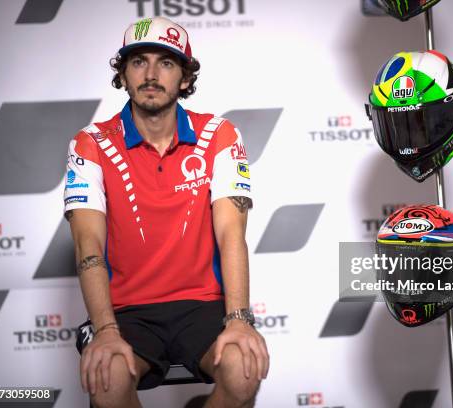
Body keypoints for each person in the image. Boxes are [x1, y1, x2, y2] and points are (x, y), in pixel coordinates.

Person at [64, 16, 268, 408]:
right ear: (122, 74)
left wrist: (239, 318)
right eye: (139, 62)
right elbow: (86, 242)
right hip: (127, 311)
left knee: (244, 369)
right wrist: (105, 329)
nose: (152, 74)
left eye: (167, 63)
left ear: (186, 78)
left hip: (203, 306)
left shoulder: (218, 135)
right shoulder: (90, 143)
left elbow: (231, 234)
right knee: (107, 380)